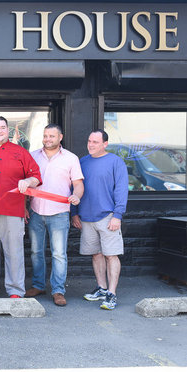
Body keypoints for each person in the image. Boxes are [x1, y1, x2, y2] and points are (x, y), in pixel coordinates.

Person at [0, 116, 42, 299]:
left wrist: (27, 181)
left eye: (2, 127)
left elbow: (35, 176)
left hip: (12, 209)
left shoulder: (20, 152)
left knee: (14, 252)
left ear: (8, 130)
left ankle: (15, 290)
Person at [26, 124, 84, 306]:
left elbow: (79, 184)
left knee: (59, 254)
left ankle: (58, 290)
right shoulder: (33, 156)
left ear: (60, 137)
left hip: (59, 213)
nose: (47, 139)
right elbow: (25, 183)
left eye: (51, 136)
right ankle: (38, 285)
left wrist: (76, 195)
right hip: (36, 211)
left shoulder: (71, 158)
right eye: (45, 136)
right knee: (36, 252)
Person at [71, 129, 128, 311]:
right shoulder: (82, 162)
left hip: (108, 216)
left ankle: (111, 293)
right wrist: (74, 213)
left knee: (111, 255)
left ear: (105, 144)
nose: (91, 145)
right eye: (89, 141)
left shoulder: (115, 162)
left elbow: (121, 190)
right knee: (96, 254)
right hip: (86, 217)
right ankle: (102, 288)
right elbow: (74, 188)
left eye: (95, 142)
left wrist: (117, 215)